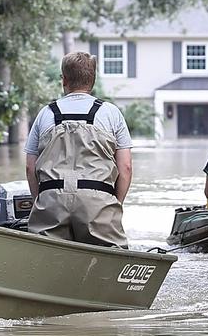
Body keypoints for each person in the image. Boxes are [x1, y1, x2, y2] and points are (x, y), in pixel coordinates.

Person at [24, 51, 132, 248]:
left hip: (51, 200)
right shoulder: (111, 113)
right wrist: (113, 204)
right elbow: (125, 168)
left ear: (64, 79)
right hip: (98, 201)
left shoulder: (45, 114)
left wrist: (40, 202)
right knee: (112, 258)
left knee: (46, 256)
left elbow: (30, 169)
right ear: (93, 79)